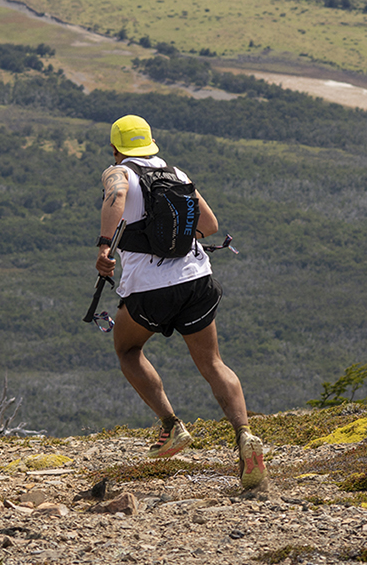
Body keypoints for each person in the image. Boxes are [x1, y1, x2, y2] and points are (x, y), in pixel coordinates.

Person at [95, 114, 266, 489]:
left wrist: (106, 245)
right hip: (197, 281)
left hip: (149, 288)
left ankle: (171, 425)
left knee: (127, 349)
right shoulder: (176, 174)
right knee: (213, 363)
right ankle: (245, 434)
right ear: (150, 143)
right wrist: (173, 238)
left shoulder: (119, 172)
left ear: (115, 148)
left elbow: (116, 196)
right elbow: (210, 225)